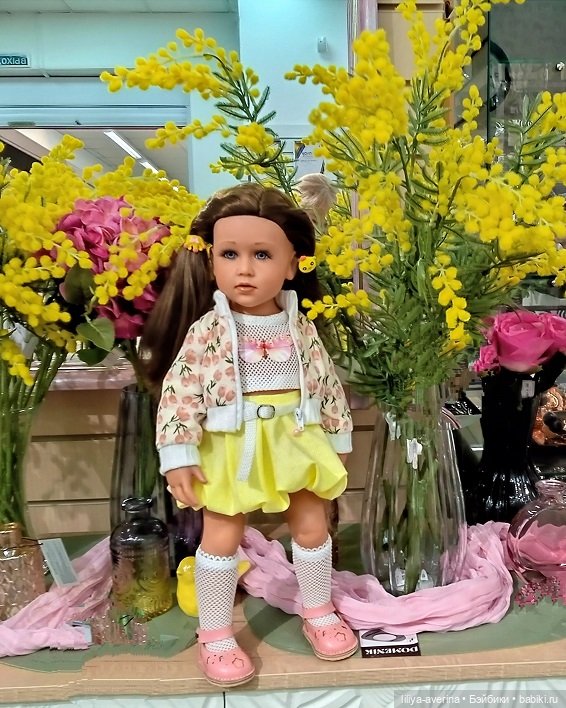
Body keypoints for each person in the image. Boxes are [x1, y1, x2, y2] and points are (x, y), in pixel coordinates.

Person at [141, 182, 358, 687]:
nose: (244, 269)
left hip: (296, 437)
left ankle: (317, 607)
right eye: (230, 254)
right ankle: (215, 633)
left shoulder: (300, 326)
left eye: (262, 255)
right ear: (210, 260)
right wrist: (179, 452)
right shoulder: (207, 331)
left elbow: (325, 383)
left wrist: (337, 440)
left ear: (291, 265)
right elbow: (180, 391)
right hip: (232, 445)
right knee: (221, 535)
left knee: (312, 525)